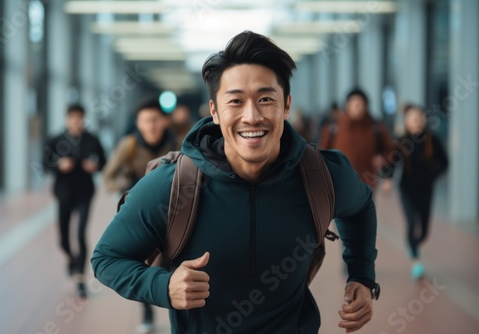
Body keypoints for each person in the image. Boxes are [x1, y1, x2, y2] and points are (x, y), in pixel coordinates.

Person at [92, 31, 379, 333]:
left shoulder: (322, 176)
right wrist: (163, 286)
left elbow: (360, 206)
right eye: (236, 101)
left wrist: (361, 274)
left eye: (266, 99)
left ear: (287, 105)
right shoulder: (172, 186)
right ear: (214, 111)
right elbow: (107, 258)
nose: (252, 116)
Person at [102, 96, 178, 333]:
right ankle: (147, 310)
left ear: (165, 121)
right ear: (138, 123)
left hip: (173, 215)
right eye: (146, 121)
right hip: (140, 219)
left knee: (176, 266)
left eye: (155, 120)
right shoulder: (129, 145)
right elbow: (108, 176)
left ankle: (180, 315)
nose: (151, 126)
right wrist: (124, 192)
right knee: (142, 264)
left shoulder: (179, 145)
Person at [44, 104, 106, 299]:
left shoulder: (92, 139)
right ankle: (70, 258)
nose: (76, 122)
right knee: (63, 239)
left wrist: (94, 166)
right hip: (64, 193)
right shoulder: (56, 140)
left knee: (80, 234)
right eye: (72, 118)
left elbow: (104, 161)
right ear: (67, 119)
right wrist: (58, 165)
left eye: (79, 118)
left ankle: (80, 279)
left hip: (85, 193)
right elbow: (45, 164)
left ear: (84, 119)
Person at [383, 104, 448, 280]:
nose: (417, 121)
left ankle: (413, 244)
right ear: (406, 121)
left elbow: (444, 160)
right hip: (407, 189)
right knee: (412, 223)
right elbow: (391, 162)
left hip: (426, 189)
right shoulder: (401, 140)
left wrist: (437, 173)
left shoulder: (431, 139)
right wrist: (387, 179)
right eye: (413, 118)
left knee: (425, 231)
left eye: (419, 118)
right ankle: (415, 261)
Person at [319, 89, 394, 189]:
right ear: (347, 105)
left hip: (367, 182)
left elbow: (390, 150)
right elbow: (322, 152)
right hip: (340, 182)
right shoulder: (334, 126)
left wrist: (382, 160)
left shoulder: (375, 126)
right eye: (354, 103)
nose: (357, 107)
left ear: (366, 105)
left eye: (360, 104)